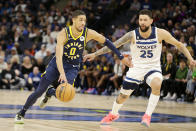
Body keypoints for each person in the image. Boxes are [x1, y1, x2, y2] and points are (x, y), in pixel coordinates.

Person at [14, 10, 132, 124]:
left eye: (84, 21)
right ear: (73, 20)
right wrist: (62, 73)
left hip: (73, 65)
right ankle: (22, 112)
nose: (83, 23)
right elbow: (58, 56)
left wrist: (121, 57)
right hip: (57, 64)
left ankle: (50, 91)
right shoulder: (64, 33)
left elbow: (107, 42)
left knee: (66, 94)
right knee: (39, 91)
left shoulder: (88, 33)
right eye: (80, 20)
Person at [83, 9, 196, 127]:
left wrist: (190, 59)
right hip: (136, 69)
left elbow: (179, 44)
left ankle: (147, 116)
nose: (142, 22)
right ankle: (114, 113)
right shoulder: (132, 34)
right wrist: (94, 54)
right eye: (140, 19)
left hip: (153, 67)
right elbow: (113, 45)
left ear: (151, 21)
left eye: (145, 20)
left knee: (157, 83)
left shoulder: (160, 33)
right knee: (122, 96)